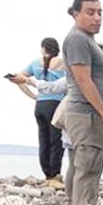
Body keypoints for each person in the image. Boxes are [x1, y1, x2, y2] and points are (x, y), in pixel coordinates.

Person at [61, 0, 103, 205]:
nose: (97, 18)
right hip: (86, 114)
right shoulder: (77, 39)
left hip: (88, 112)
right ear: (75, 14)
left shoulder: (87, 40)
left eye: (99, 12)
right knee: (88, 168)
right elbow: (83, 80)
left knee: (80, 165)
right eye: (90, 12)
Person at [13, 38, 66, 186]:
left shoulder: (35, 63)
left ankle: (47, 174)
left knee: (43, 140)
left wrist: (33, 96)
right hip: (56, 104)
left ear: (43, 49)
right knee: (56, 140)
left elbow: (19, 77)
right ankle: (55, 174)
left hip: (40, 104)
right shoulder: (63, 63)